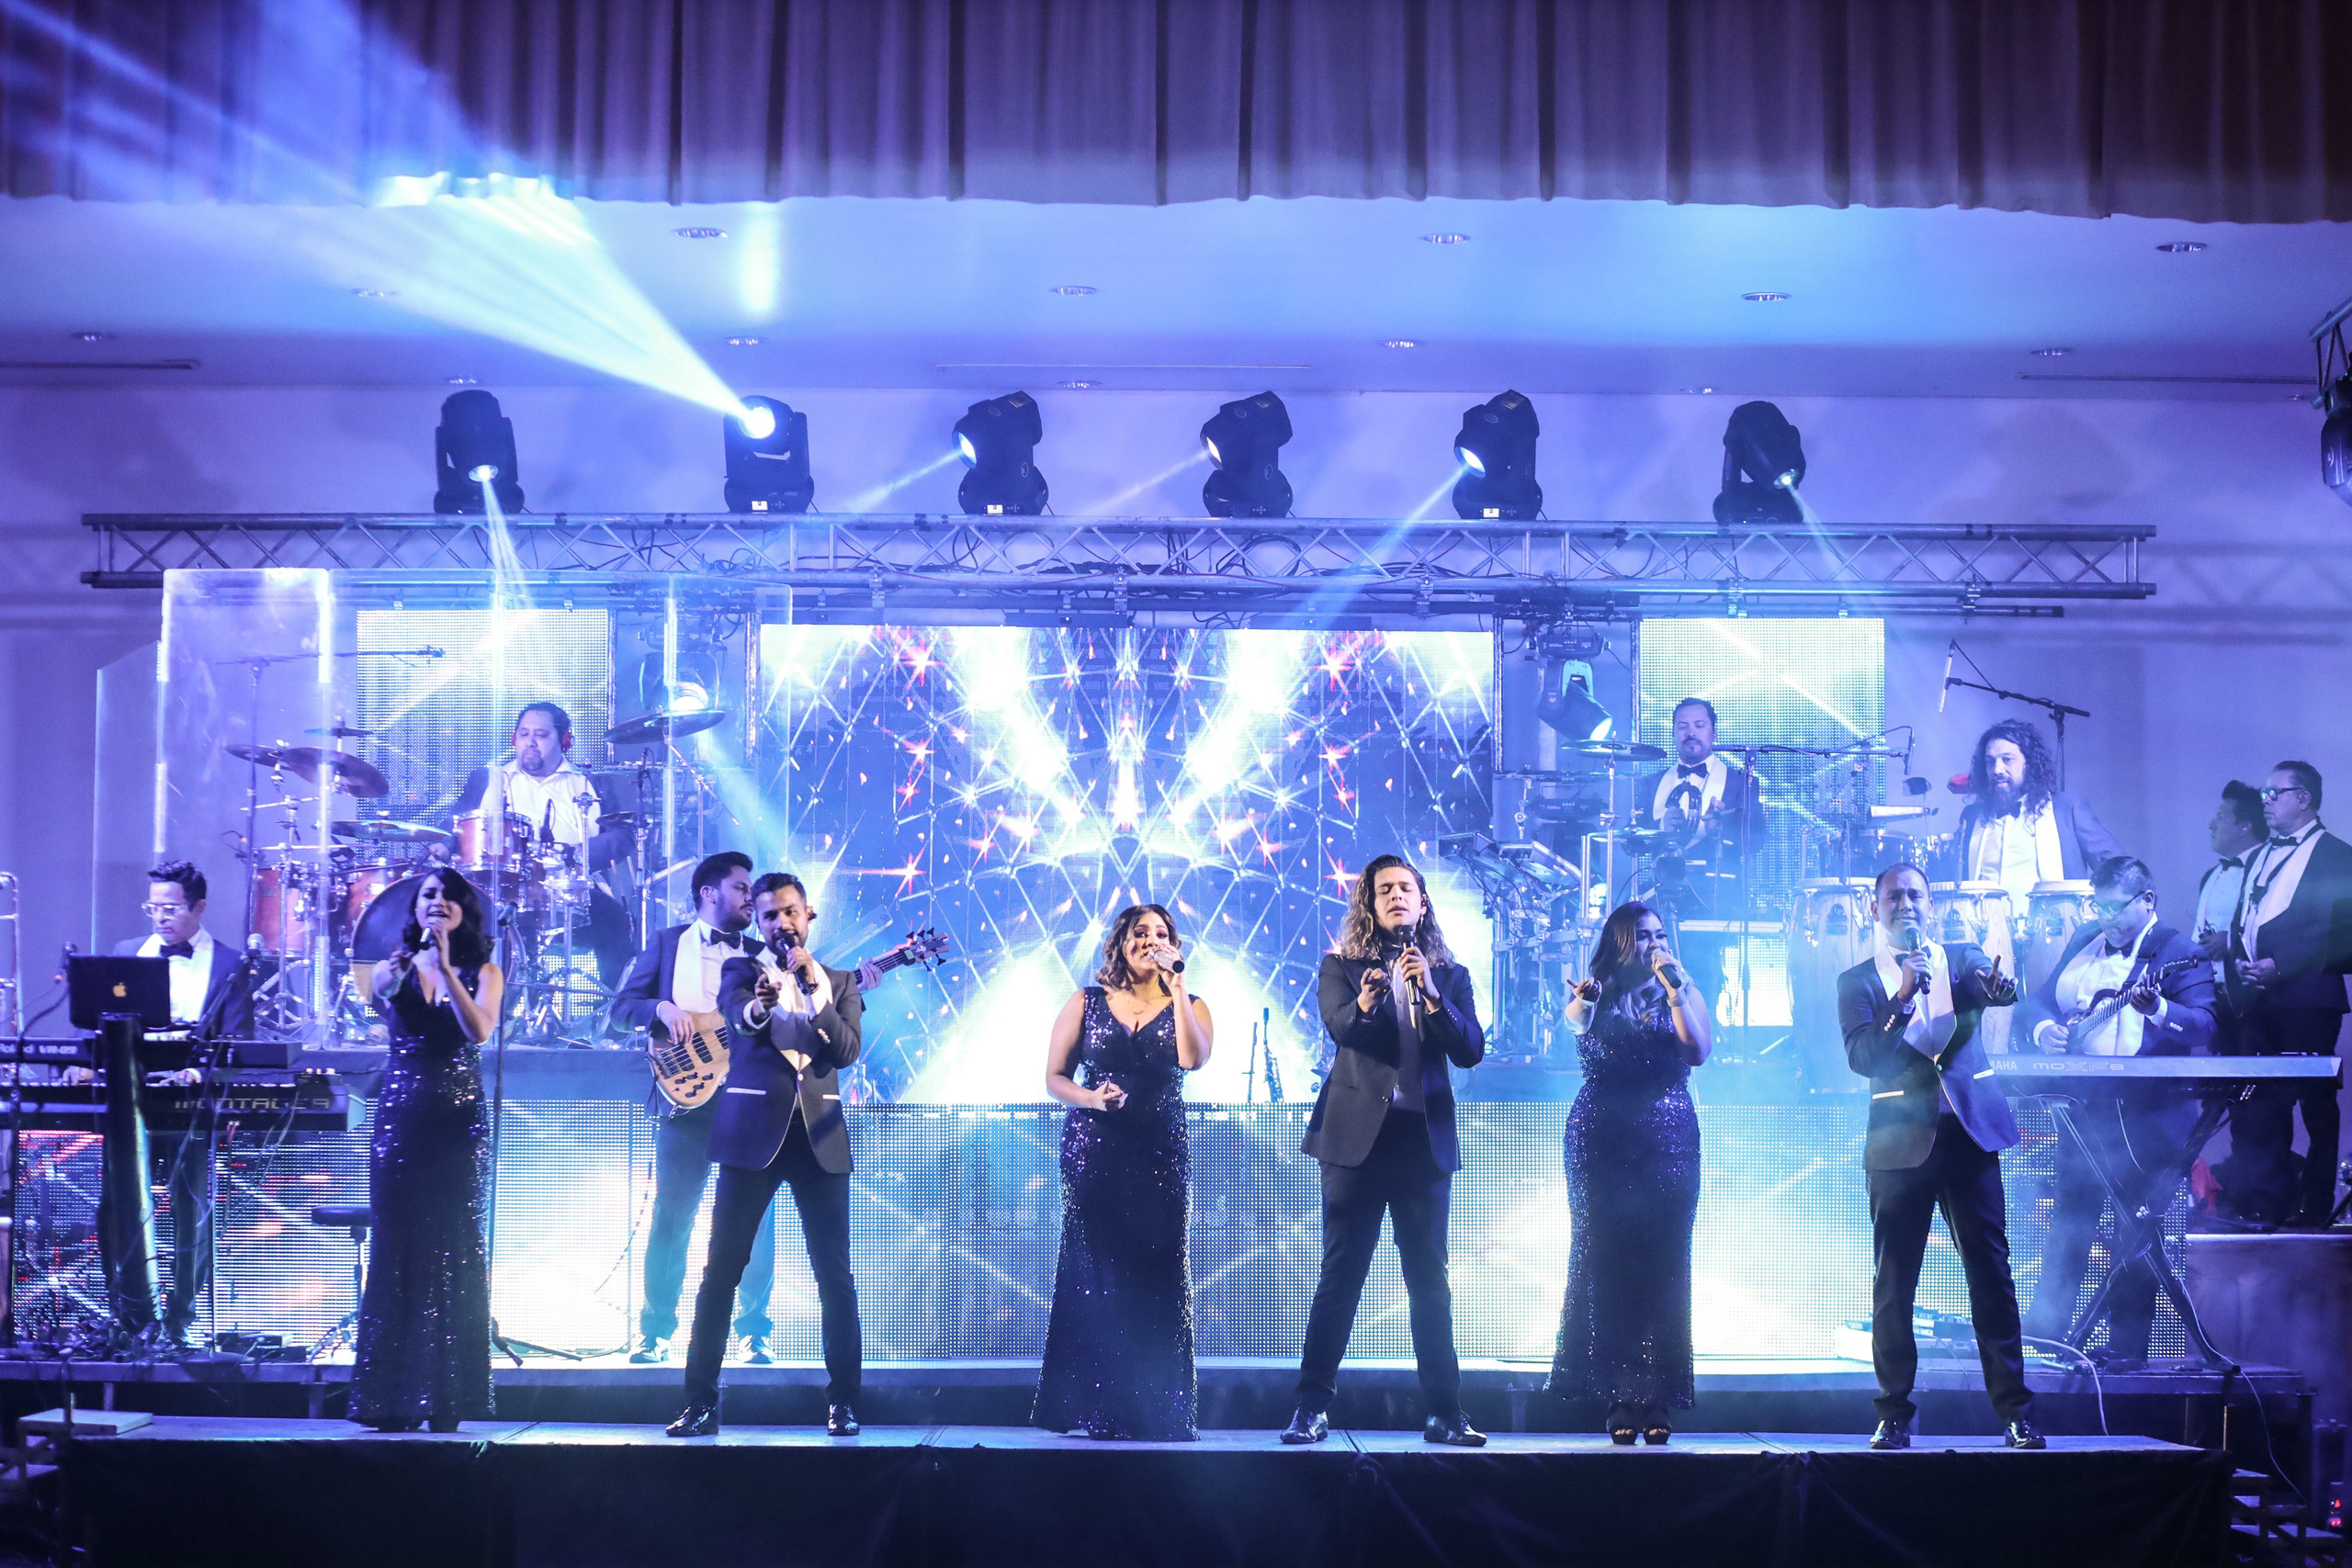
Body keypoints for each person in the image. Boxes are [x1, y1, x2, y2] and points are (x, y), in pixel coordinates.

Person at [1282, 854, 1488, 1449]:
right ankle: (1310, 1408)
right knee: (1340, 1276)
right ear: (1369, 905)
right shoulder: (1342, 968)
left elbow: (1469, 1047)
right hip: (1354, 1142)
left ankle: (1445, 1412)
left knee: (1430, 1280)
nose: (1396, 896)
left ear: (1423, 902)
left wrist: (1429, 995)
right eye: (1384, 890)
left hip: (1421, 1143)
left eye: (1406, 888)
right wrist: (1371, 1001)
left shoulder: (1448, 975)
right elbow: (1343, 1030)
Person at [1837, 863, 2041, 1450]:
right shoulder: (1858, 981)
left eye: (1915, 895)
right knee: (1895, 1283)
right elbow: (1864, 1059)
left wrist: (2000, 987)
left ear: (1932, 905)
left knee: (1991, 1275)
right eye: (1894, 897)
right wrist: (1901, 996)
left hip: (1968, 1134)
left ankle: (2015, 1412)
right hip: (1899, 1142)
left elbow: (1991, 984)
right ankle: (1893, 1412)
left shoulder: (1961, 955)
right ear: (1875, 909)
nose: (1906, 905)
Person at [666, 871, 866, 1438]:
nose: (781, 922)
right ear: (757, 922)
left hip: (820, 1139)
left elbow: (846, 1051)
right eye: (769, 915)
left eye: (790, 912)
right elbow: (737, 1021)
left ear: (809, 917)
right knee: (721, 1273)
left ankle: (844, 1402)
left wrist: (815, 991)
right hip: (752, 1135)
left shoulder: (841, 981)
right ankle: (700, 1402)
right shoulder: (742, 970)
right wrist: (760, 1008)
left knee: (835, 1275)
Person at [2019, 857, 2215, 1367]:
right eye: (2097, 904)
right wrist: (2046, 1032)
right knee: (2069, 1220)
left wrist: (2160, 1011)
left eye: (2115, 907)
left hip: (2147, 1117)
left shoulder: (2180, 952)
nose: (2104, 917)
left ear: (2146, 901)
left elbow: (2204, 1026)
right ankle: (2045, 1336)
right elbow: (2036, 1003)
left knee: (2136, 1228)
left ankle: (2126, 1350)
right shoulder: (2085, 938)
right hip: (2086, 1109)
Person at [1033, 904, 1214, 1440]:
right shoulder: (1086, 1002)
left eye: (1161, 934)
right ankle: (1096, 1407)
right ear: (1121, 942)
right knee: (1098, 1274)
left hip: (1159, 1150)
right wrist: (1090, 1098)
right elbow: (1053, 1077)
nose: (1150, 940)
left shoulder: (1194, 1003)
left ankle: (1156, 1406)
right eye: (1140, 933)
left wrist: (1177, 987)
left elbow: (1191, 1059)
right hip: (1096, 1149)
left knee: (1155, 1270)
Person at [610, 852, 782, 1364]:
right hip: (685, 1101)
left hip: (749, 1102)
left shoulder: (762, 955)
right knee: (673, 1218)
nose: (750, 898)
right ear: (708, 893)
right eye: (739, 888)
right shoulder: (667, 944)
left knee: (757, 1220)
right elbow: (620, 1011)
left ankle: (754, 1332)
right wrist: (658, 1008)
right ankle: (656, 1332)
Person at [1550, 901, 1710, 1444]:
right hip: (1602, 1141)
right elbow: (1574, 1024)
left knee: (1665, 1263)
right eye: (1642, 936)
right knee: (1606, 1260)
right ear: (1620, 941)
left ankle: (1658, 1394)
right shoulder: (1597, 991)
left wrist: (1678, 992)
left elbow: (1699, 1051)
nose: (1654, 944)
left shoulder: (1682, 989)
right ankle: (1620, 1394)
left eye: (1660, 934)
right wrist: (1584, 1002)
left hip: (1669, 1139)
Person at [350, 869, 502, 1432]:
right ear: (414, 910)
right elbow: (383, 997)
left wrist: (445, 969)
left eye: (448, 897)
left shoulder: (485, 971)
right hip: (401, 1118)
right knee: (400, 1245)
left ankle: (447, 1398)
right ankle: (389, 1397)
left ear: (464, 911)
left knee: (454, 1244)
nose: (438, 903)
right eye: (428, 896)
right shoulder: (391, 969)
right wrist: (415, 965)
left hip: (456, 1121)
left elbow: (478, 1028)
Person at [95, 861, 254, 1346]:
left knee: (191, 1209)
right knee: (117, 1204)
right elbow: (101, 1022)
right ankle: (130, 1317)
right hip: (131, 1095)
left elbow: (239, 1042)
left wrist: (199, 1072)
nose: (160, 918)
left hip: (192, 1099)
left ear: (198, 908)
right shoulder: (127, 953)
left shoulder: (230, 964)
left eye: (170, 908)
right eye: (153, 908)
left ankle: (180, 1321)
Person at [2227, 761, 2352, 1225]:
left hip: (2308, 998)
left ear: (2303, 798)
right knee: (2261, 1108)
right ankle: (2272, 1205)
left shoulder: (2339, 855)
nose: (2265, 801)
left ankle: (2315, 1208)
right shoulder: (2260, 854)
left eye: (2273, 793)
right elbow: (2248, 916)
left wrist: (2281, 966)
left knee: (2316, 1105)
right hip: (2258, 998)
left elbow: (2338, 931)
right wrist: (2240, 962)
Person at [450, 702, 635, 989]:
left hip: (569, 891)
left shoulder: (590, 782)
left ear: (563, 740)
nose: (530, 742)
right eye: (523, 734)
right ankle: (477, 1014)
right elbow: (454, 830)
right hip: (497, 892)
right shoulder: (487, 779)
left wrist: (575, 854)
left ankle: (610, 1019)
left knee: (615, 922)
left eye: (541, 735)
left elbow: (622, 836)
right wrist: (440, 844)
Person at [1946, 718, 2123, 907]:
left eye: (2007, 760)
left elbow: (2117, 869)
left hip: (2057, 931)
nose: (1997, 770)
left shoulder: (2066, 809)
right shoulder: (1972, 817)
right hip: (1986, 932)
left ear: (2028, 763)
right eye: (1990, 762)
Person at [2195, 781, 2268, 1053]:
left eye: (2221, 817)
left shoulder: (2269, 868)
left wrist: (2230, 941)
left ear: (2245, 827)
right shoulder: (2210, 877)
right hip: (2216, 1001)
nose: (2211, 824)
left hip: (2258, 1001)